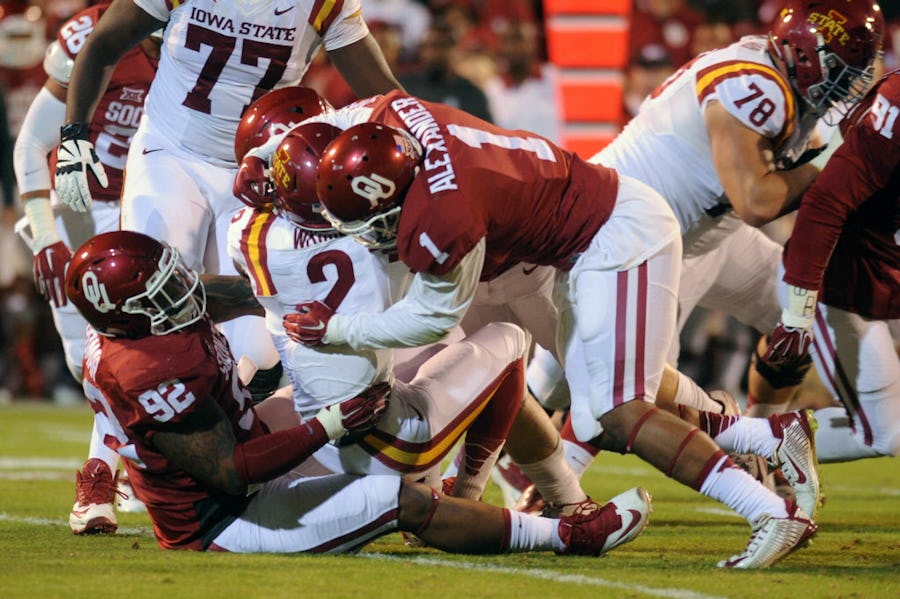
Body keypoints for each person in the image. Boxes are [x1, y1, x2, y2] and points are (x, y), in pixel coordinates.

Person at [275, 91, 818, 568]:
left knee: (619, 411)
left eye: (374, 222)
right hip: (576, 241)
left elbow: (432, 317)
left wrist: (337, 328)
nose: (372, 237)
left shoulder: (443, 215)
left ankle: (770, 512)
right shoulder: (388, 116)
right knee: (596, 406)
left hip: (615, 236)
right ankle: (767, 436)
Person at [62, 229, 652, 555]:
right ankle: (570, 536)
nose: (183, 297)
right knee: (400, 502)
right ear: (128, 321)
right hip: (226, 519)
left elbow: (227, 295)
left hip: (247, 441)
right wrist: (331, 424)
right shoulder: (150, 371)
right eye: (163, 296)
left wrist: (288, 287)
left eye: (174, 281)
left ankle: (495, 490)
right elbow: (232, 472)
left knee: (411, 380)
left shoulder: (147, 320)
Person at [522, 0, 885, 478]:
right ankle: (536, 482)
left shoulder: (786, 86)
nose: (849, 82)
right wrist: (836, 168)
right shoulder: (755, 84)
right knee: (605, 398)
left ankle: (763, 440)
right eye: (840, 68)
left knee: (800, 313)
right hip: (632, 236)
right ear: (804, 52)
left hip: (705, 235)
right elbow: (756, 200)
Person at [228, 117, 597, 516]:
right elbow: (430, 317)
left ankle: (431, 484)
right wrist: (337, 327)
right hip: (388, 442)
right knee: (506, 340)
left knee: (448, 344)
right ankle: (465, 494)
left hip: (319, 431)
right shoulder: (379, 238)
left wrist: (260, 164)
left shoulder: (248, 234)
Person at [52, 0, 406, 403]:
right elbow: (102, 45)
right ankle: (107, 458)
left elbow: (382, 93)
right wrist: (75, 132)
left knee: (258, 356)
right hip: (171, 153)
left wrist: (432, 144)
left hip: (255, 175)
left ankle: (231, 448)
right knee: (146, 300)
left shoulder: (325, 4)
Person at [12, 1, 160, 534]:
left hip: (148, 201)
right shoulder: (91, 35)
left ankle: (107, 474)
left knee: (137, 346)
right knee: (86, 361)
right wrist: (45, 235)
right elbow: (31, 142)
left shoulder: (207, 41)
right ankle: (127, 470)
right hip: (77, 206)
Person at [760, 70, 900, 462]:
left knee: (885, 429)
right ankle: (719, 439)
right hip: (842, 281)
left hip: (880, 277)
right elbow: (825, 204)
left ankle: (726, 436)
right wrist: (799, 314)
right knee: (885, 434)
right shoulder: (895, 108)